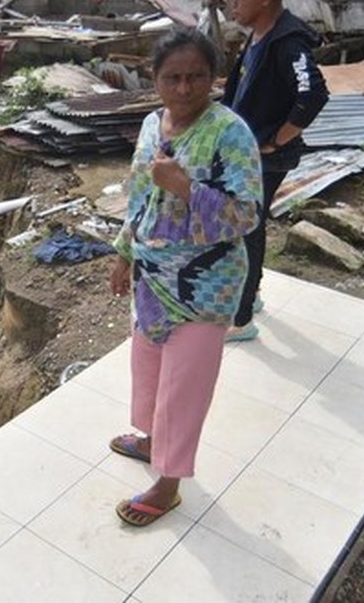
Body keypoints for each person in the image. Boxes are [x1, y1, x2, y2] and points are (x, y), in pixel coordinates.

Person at [107, 28, 263, 526]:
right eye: (171, 77)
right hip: (152, 277)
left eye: (197, 76)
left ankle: (168, 483)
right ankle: (152, 440)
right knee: (148, 364)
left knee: (184, 385)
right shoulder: (153, 125)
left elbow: (247, 214)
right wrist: (123, 254)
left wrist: (186, 186)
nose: (184, 88)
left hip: (205, 285)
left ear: (214, 78)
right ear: (153, 79)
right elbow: (137, 195)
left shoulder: (231, 132)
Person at [219, 0, 329, 341]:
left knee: (246, 226)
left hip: (266, 155)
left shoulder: (289, 42)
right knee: (249, 222)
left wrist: (277, 140)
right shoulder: (260, 33)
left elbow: (312, 94)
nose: (233, 6)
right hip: (247, 150)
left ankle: (241, 317)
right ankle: (253, 294)